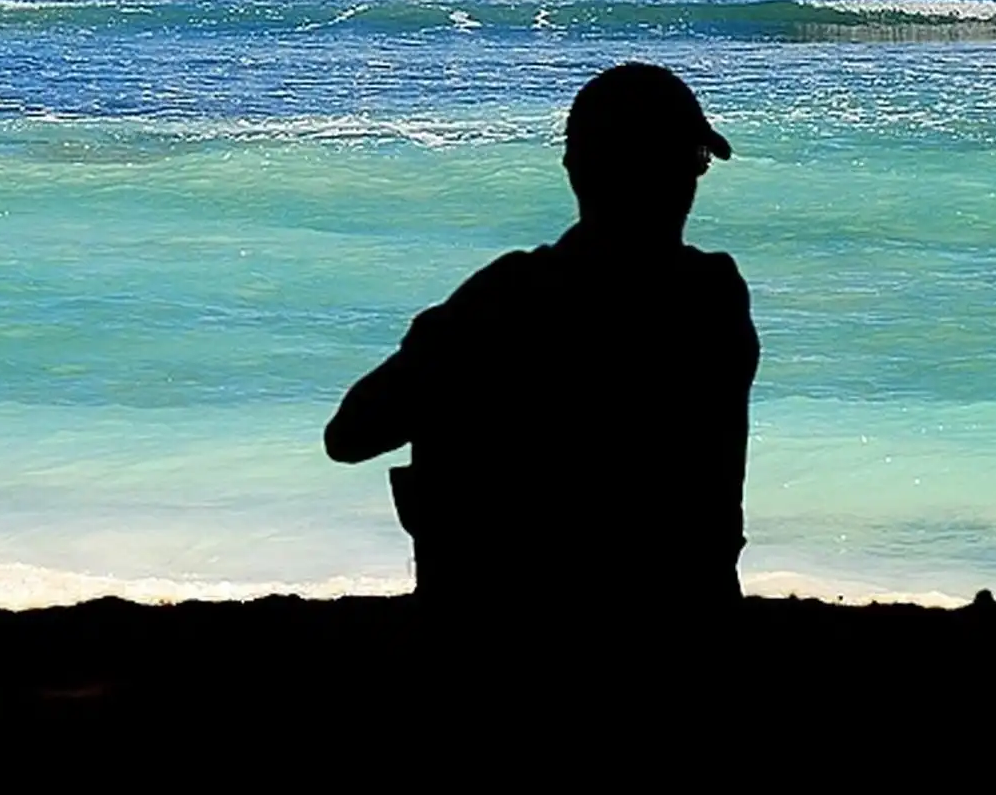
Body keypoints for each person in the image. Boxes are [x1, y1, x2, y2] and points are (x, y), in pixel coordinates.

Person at [324, 63, 759, 628]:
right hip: (688, 604)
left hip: (505, 609)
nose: (694, 179)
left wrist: (442, 337)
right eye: (694, 161)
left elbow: (351, 435)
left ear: (575, 168)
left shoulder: (506, 299)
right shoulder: (715, 296)